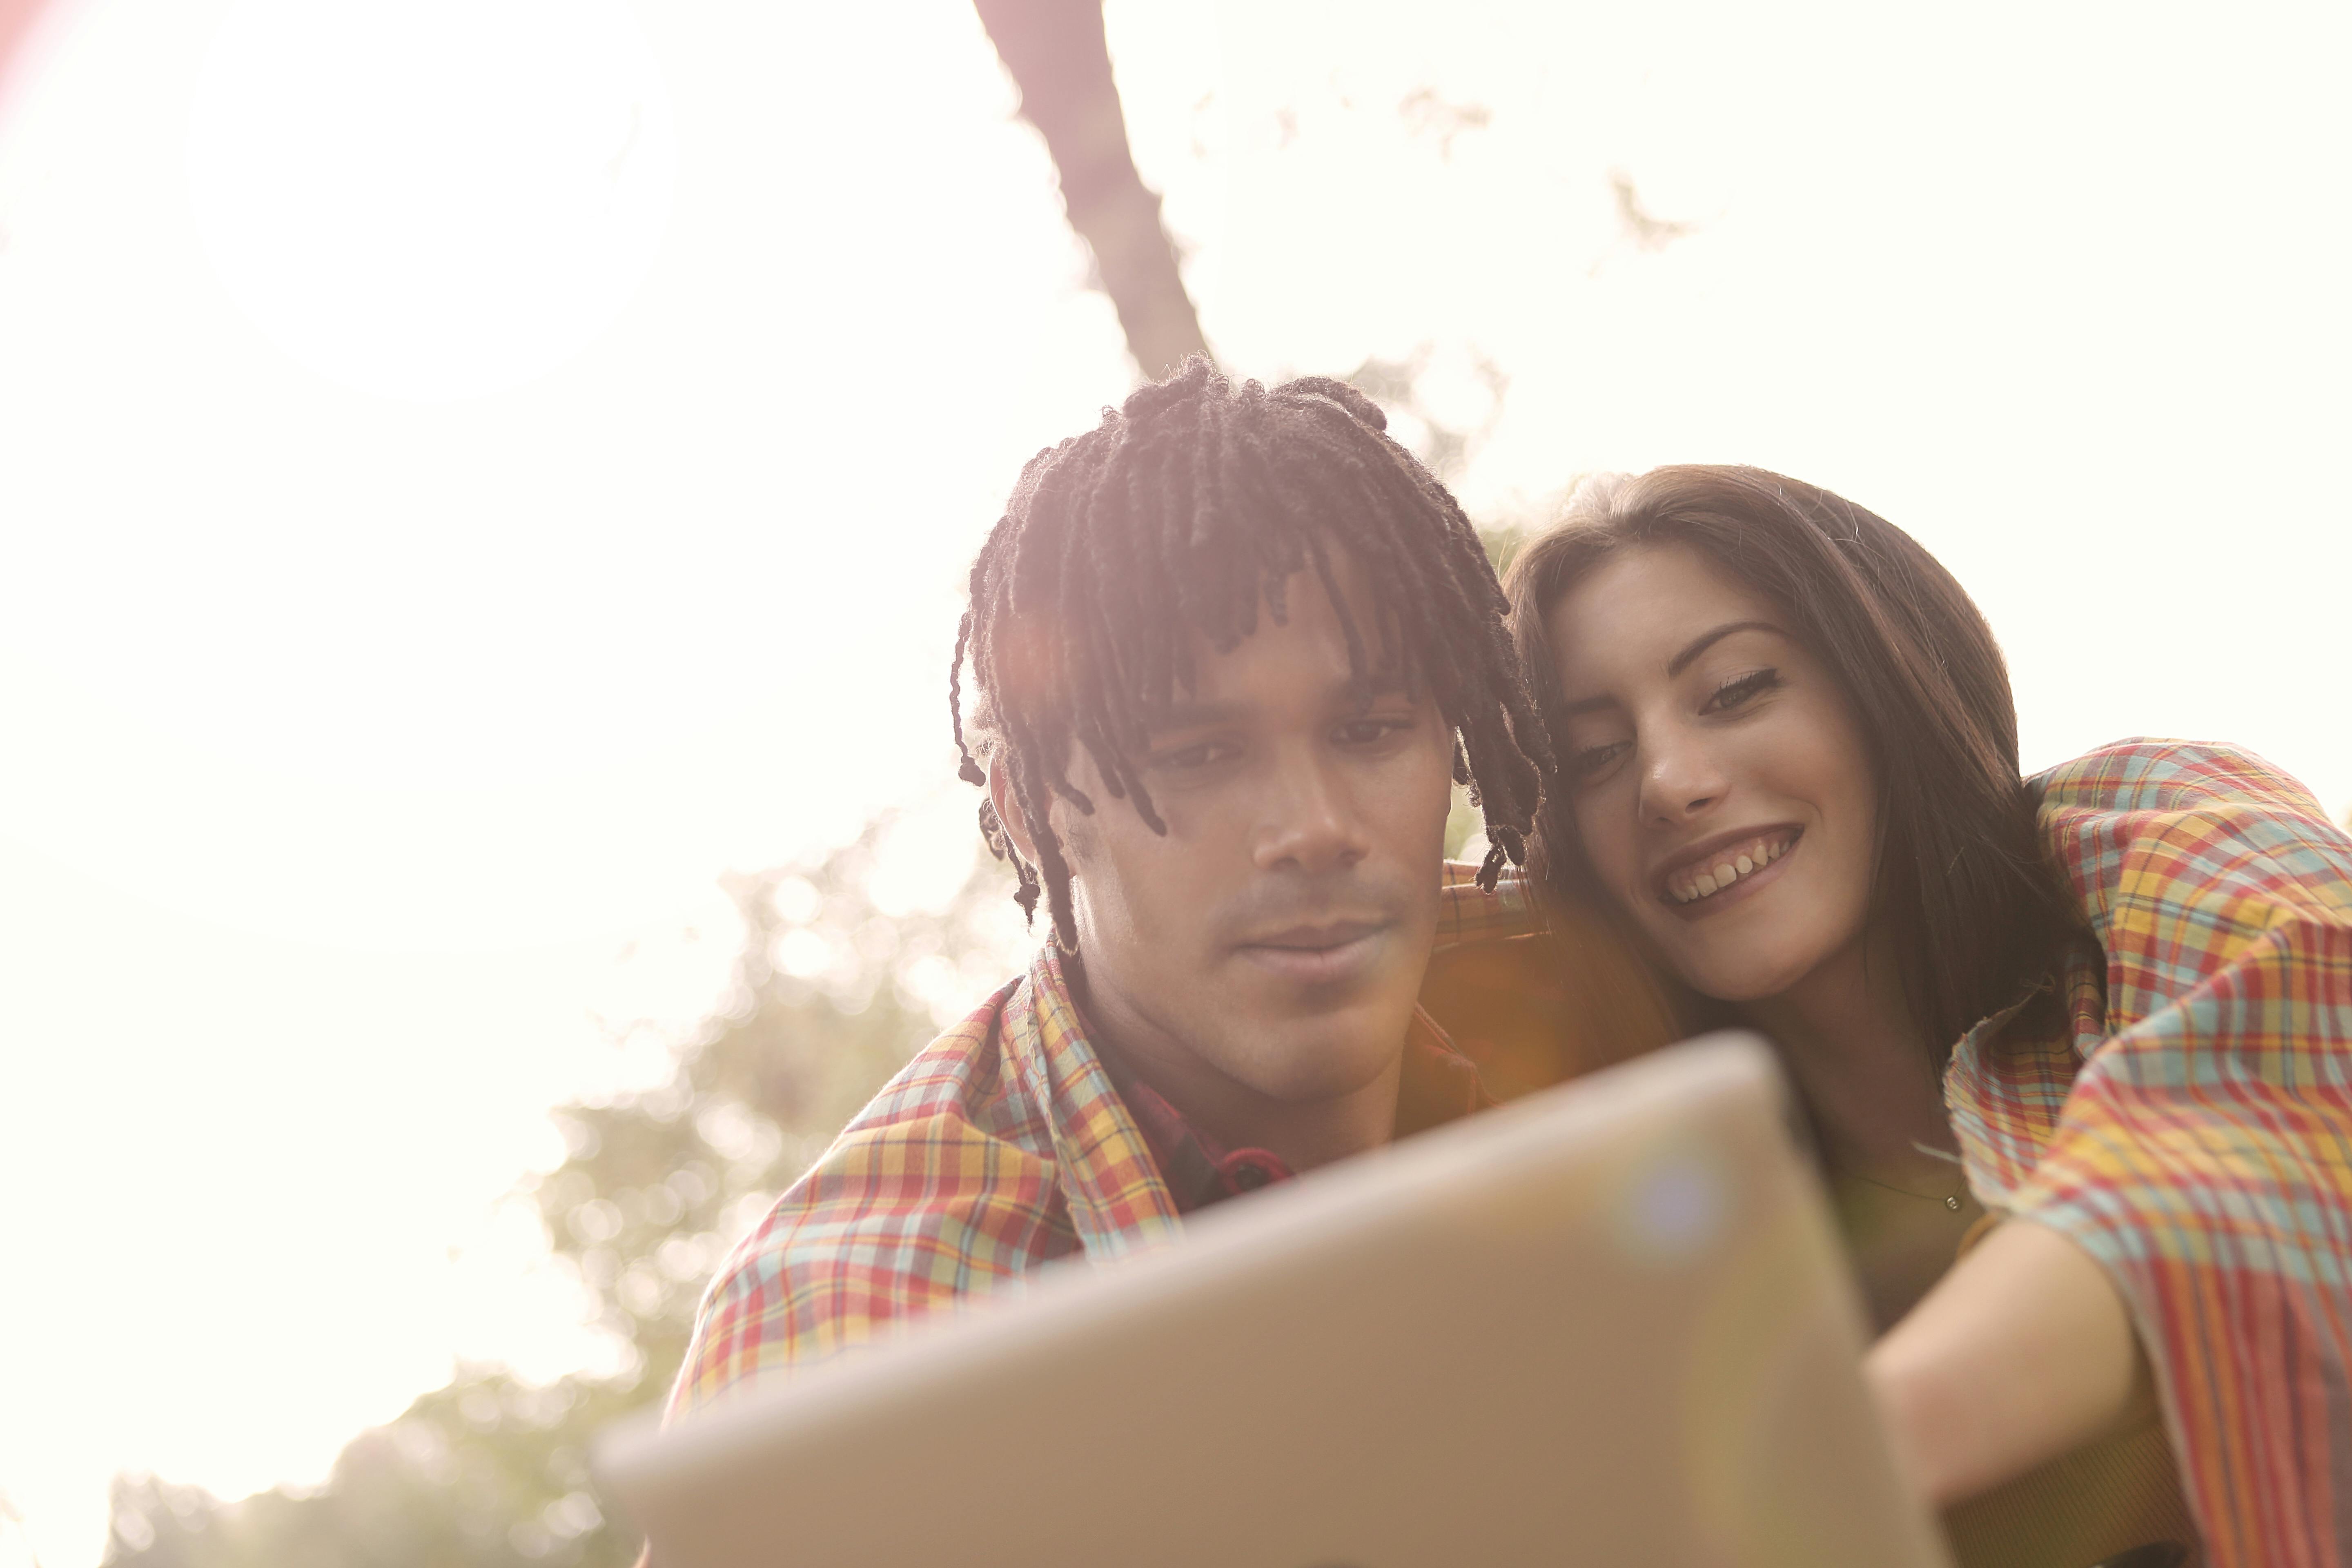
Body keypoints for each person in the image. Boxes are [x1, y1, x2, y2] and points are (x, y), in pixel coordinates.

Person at [659, 361, 1675, 1419]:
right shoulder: (843, 1350)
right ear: (1031, 808)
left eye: (1370, 732)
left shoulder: (1634, 987)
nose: (1315, 829)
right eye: (1199, 755)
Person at [1505, 464, 2352, 1568]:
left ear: (1880, 680)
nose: (1670, 781)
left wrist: (1821, 1471)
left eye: (1736, 689)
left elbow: (2288, 1074)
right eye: (1593, 759)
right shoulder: (1660, 1230)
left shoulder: (2144, 830)